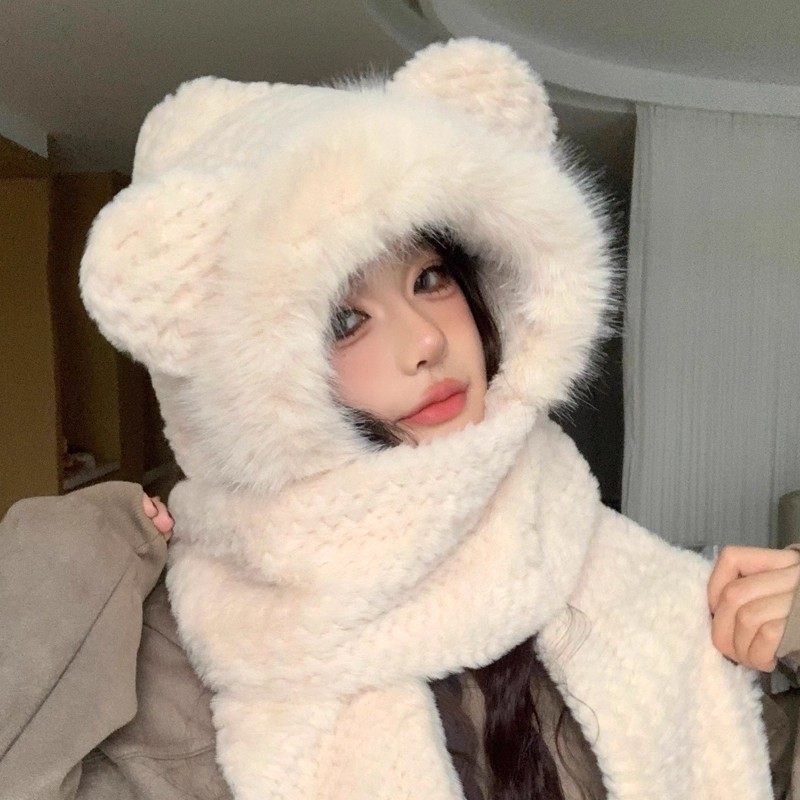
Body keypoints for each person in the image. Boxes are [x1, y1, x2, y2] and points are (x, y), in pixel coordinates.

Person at [3, 35, 800, 800]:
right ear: (243, 380)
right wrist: (82, 551)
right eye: (346, 321)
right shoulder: (185, 647)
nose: (426, 341)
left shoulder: (606, 562)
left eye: (430, 280)